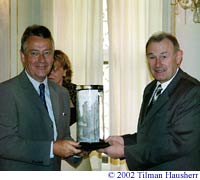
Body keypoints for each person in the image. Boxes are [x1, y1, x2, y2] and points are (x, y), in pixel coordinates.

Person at [98, 32, 200, 170]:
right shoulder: (150, 89)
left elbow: (177, 144)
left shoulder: (192, 91)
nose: (158, 64)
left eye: (164, 56)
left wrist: (125, 151)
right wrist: (123, 140)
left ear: (178, 57)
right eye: (152, 57)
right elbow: (151, 135)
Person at [0, 25, 84, 170]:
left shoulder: (62, 94)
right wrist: (51, 149)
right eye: (34, 53)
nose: (42, 60)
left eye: (47, 53)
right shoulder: (6, 91)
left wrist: (79, 150)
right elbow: (5, 143)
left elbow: (63, 138)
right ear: (22, 56)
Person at [48, 50, 76, 126]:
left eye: (55, 69)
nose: (50, 73)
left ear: (64, 72)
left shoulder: (75, 91)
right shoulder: (41, 91)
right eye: (48, 70)